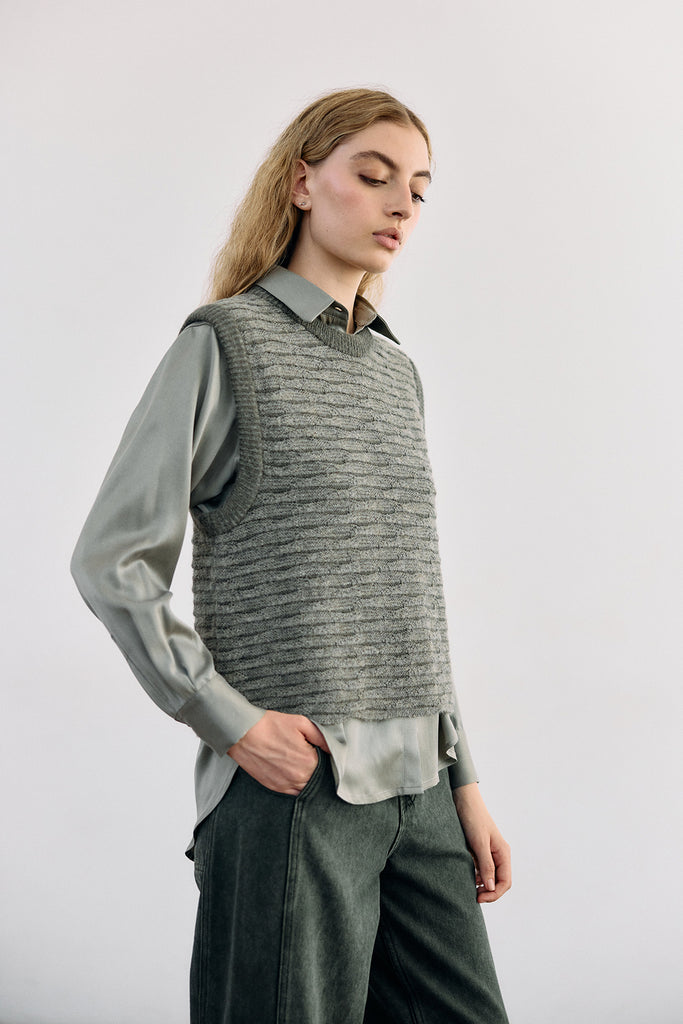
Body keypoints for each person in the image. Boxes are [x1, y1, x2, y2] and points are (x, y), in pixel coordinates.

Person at [71, 87, 511, 1024]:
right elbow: (112, 559)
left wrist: (463, 782)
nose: (401, 205)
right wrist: (231, 723)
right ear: (302, 183)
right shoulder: (225, 342)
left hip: (423, 795)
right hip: (294, 794)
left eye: (418, 189)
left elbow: (408, 598)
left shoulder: (395, 373)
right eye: (374, 175)